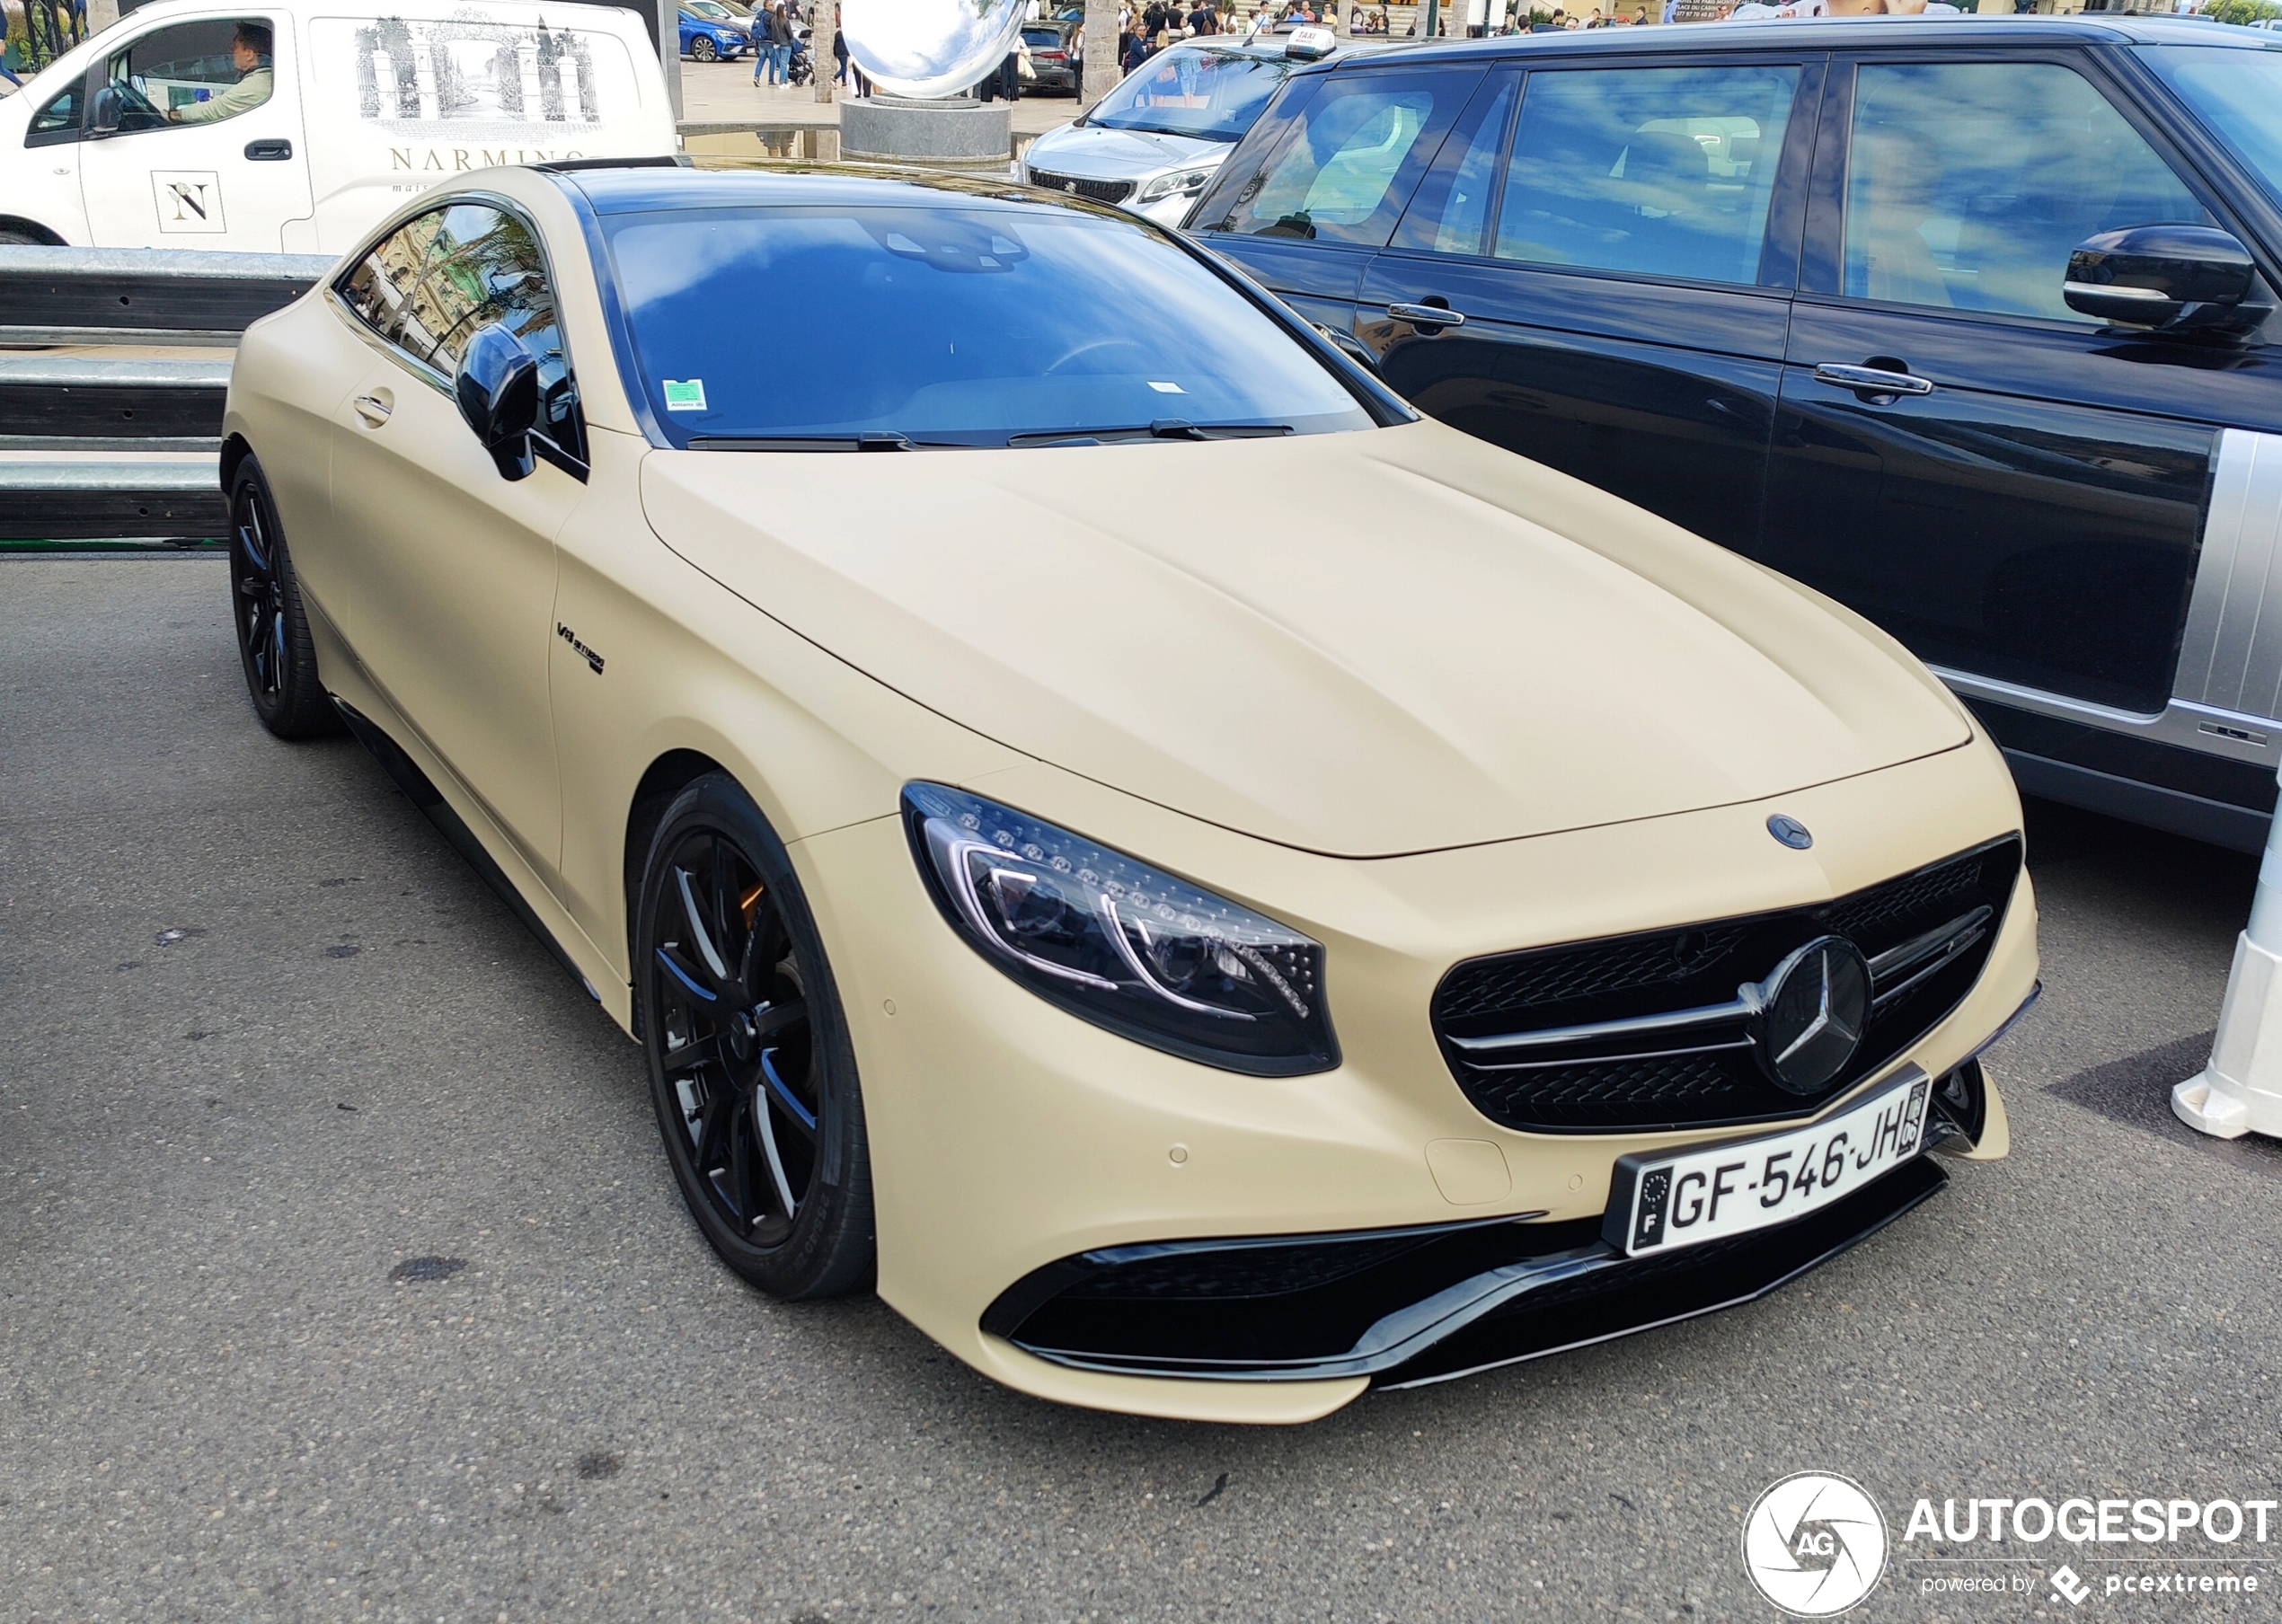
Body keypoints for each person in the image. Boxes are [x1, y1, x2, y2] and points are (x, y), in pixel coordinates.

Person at [168, 21, 271, 121]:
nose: (231, 51)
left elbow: (212, 110)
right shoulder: (264, 79)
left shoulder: (255, 85)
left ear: (249, 54)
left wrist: (174, 115)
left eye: (235, 47)